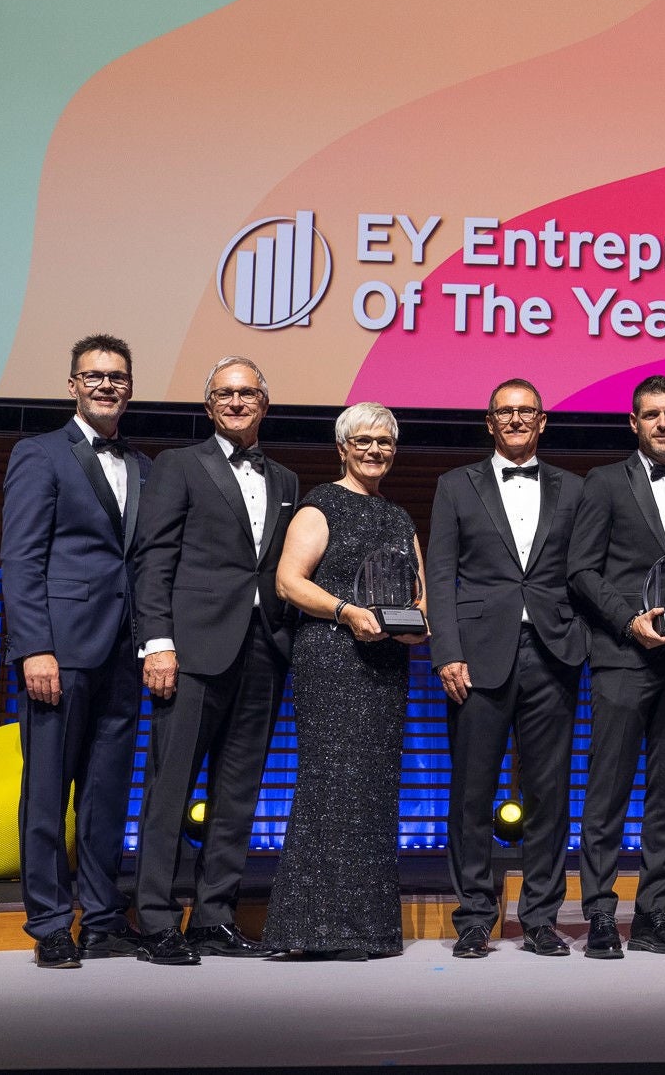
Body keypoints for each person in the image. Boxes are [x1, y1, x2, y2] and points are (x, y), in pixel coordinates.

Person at [131, 356, 299, 965]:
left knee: (238, 793)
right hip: (191, 650)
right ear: (208, 407)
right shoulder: (178, 465)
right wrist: (157, 642)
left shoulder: (286, 479)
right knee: (169, 789)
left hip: (262, 649)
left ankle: (213, 918)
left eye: (247, 393)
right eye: (224, 394)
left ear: (264, 404)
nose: (236, 402)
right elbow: (153, 559)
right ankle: (155, 920)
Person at [0, 334, 149, 968]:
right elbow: (20, 558)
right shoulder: (39, 454)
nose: (106, 385)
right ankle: (50, 923)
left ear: (130, 388)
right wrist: (34, 647)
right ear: (72, 386)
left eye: (117, 377)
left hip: (124, 652)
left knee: (106, 795)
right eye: (94, 376)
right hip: (59, 653)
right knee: (45, 794)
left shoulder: (142, 465)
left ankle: (103, 918)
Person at [426, 379, 589, 960]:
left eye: (526, 411)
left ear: (542, 421)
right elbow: (439, 573)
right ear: (489, 422)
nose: (516, 419)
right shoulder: (455, 485)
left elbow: (585, 571)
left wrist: (580, 637)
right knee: (472, 793)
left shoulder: (574, 488)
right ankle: (474, 917)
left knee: (549, 794)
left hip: (553, 653)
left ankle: (541, 917)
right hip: (475, 656)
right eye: (505, 411)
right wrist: (446, 651)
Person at [568, 375, 665, 959]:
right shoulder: (605, 481)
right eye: (652, 414)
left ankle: (654, 914)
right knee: (607, 791)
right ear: (633, 422)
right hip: (623, 657)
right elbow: (582, 571)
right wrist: (630, 622)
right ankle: (600, 915)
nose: (663, 423)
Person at [265, 403, 426, 960]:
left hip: (386, 666)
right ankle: (313, 930)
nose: (375, 450)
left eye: (385, 442)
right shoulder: (321, 505)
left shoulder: (400, 518)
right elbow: (288, 582)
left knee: (373, 792)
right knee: (330, 787)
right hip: (332, 660)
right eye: (363, 441)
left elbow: (419, 600)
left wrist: (413, 628)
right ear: (342, 448)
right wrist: (347, 612)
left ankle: (367, 930)